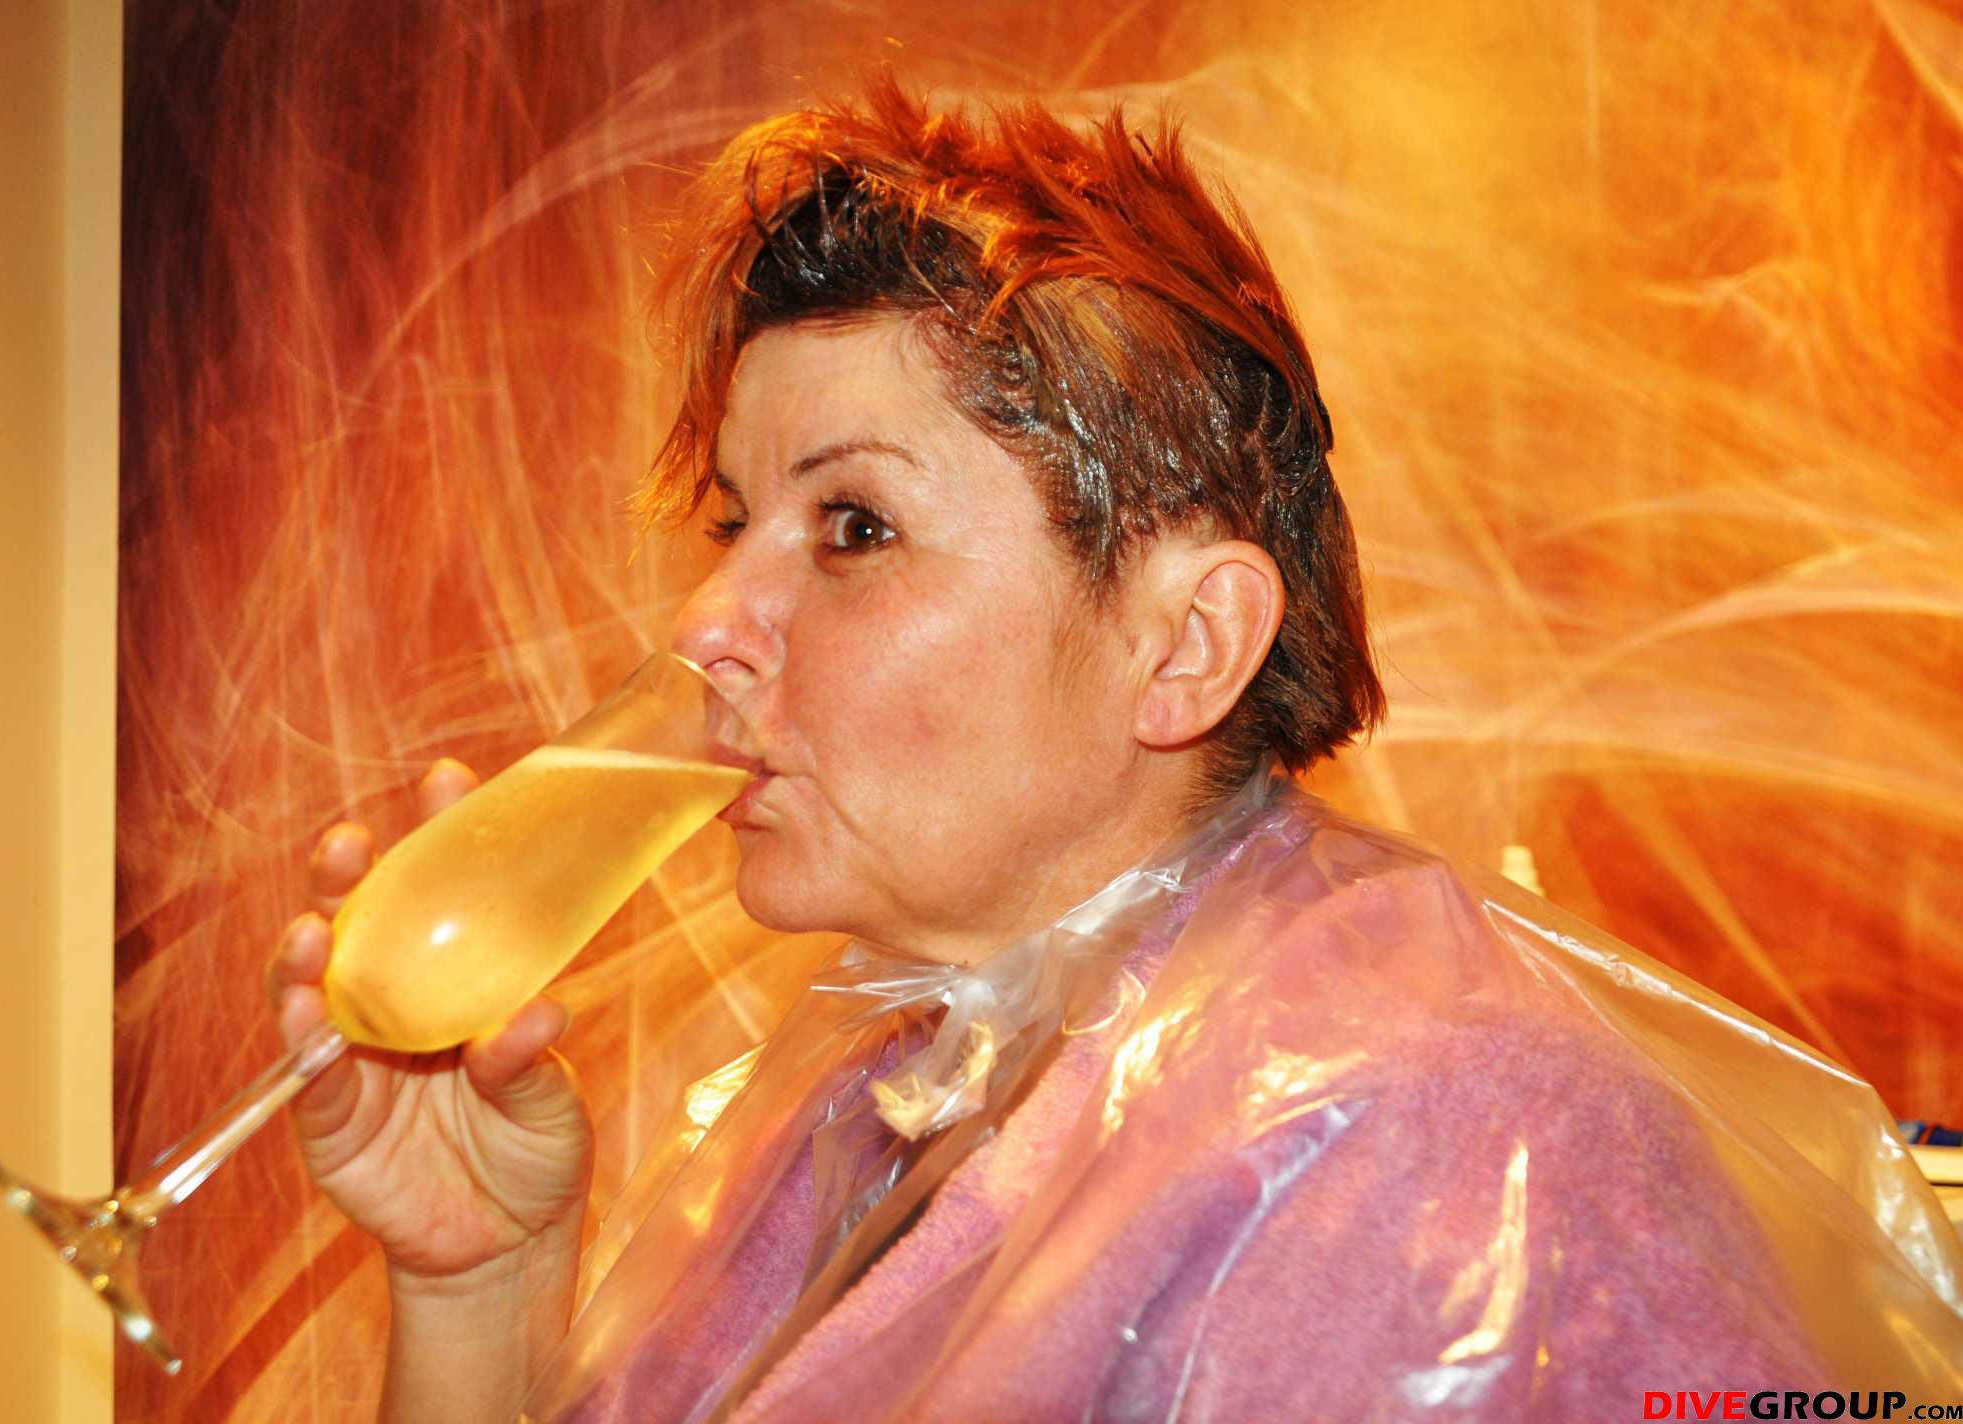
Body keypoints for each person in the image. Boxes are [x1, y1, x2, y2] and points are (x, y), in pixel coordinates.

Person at [267, 80, 1963, 1422]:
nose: (708, 618)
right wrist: (482, 1292)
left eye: (853, 526)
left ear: (1185, 643)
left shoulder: (1439, 1147)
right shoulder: (885, 1094)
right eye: (732, 523)